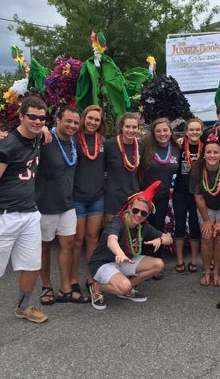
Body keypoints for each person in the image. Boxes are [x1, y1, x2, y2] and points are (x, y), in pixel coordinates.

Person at [0, 96, 48, 347]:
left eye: (42, 117)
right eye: (33, 117)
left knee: (32, 265)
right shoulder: (7, 145)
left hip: (28, 214)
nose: (38, 121)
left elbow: (41, 131)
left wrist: (43, 129)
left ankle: (23, 306)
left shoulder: (37, 135)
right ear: (21, 117)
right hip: (3, 215)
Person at [88, 181, 172, 309]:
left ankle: (125, 289)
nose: (138, 215)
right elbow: (111, 240)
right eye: (136, 210)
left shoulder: (143, 226)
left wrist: (160, 240)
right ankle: (97, 287)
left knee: (158, 264)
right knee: (124, 285)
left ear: (147, 215)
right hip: (103, 263)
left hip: (124, 261)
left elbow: (169, 239)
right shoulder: (116, 222)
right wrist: (120, 253)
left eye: (143, 213)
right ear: (129, 207)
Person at [36, 106, 90, 304]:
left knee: (67, 245)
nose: (72, 125)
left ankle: (66, 288)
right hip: (44, 204)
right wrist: (40, 129)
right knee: (44, 247)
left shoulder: (74, 142)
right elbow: (23, 134)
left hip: (67, 203)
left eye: (76, 122)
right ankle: (46, 285)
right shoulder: (44, 140)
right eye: (68, 121)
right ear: (57, 120)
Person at [68, 105, 107, 303]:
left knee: (93, 238)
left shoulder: (103, 142)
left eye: (97, 120)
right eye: (90, 118)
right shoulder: (73, 139)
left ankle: (91, 278)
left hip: (97, 198)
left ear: (101, 123)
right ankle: (73, 279)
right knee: (78, 240)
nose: (93, 122)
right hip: (77, 198)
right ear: (84, 118)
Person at [189, 132, 220, 287]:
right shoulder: (196, 171)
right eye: (208, 152)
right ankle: (206, 272)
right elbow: (199, 197)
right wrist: (207, 221)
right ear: (203, 154)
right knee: (207, 236)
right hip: (206, 208)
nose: (212, 155)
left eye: (215, 152)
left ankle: (216, 272)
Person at [138, 117, 180, 279]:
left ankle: (156, 262)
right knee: (139, 228)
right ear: (153, 133)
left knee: (157, 228)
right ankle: (137, 262)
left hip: (162, 197)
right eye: (158, 131)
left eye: (165, 130)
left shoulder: (177, 148)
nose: (162, 134)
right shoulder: (144, 146)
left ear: (170, 131)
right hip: (143, 197)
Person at [172, 118, 203, 273]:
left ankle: (193, 260)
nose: (194, 132)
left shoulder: (204, 147)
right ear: (186, 132)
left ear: (201, 131)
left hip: (197, 193)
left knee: (194, 226)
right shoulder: (178, 146)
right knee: (179, 225)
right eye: (191, 130)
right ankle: (179, 260)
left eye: (198, 130)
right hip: (180, 191)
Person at [104, 112, 142, 220]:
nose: (131, 130)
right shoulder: (109, 145)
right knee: (112, 232)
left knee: (129, 233)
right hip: (113, 198)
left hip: (133, 197)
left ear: (138, 128)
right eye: (127, 126)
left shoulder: (141, 146)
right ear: (121, 127)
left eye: (134, 127)